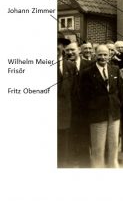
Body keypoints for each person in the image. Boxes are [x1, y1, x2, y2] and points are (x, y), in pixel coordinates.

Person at [80, 45, 123, 168]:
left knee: (114, 144)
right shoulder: (87, 73)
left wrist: (117, 104)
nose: (102, 57)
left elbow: (121, 91)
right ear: (95, 54)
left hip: (113, 113)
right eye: (100, 54)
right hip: (97, 114)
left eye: (105, 54)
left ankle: (113, 167)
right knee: (98, 147)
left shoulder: (115, 69)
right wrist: (92, 108)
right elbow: (83, 95)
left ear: (109, 55)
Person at [57, 33, 77, 168]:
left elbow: (74, 90)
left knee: (64, 139)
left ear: (63, 47)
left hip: (65, 111)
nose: (56, 46)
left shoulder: (70, 66)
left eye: (59, 44)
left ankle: (63, 164)